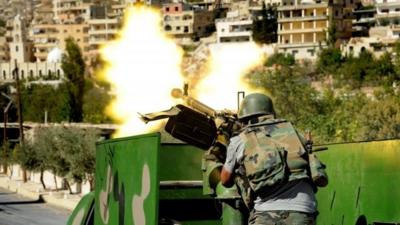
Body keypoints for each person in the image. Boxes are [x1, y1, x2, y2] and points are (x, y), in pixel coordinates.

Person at [220, 93, 320, 225]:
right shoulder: (294, 132)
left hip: (266, 211)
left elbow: (225, 180)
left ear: (244, 118)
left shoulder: (240, 140)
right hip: (303, 209)